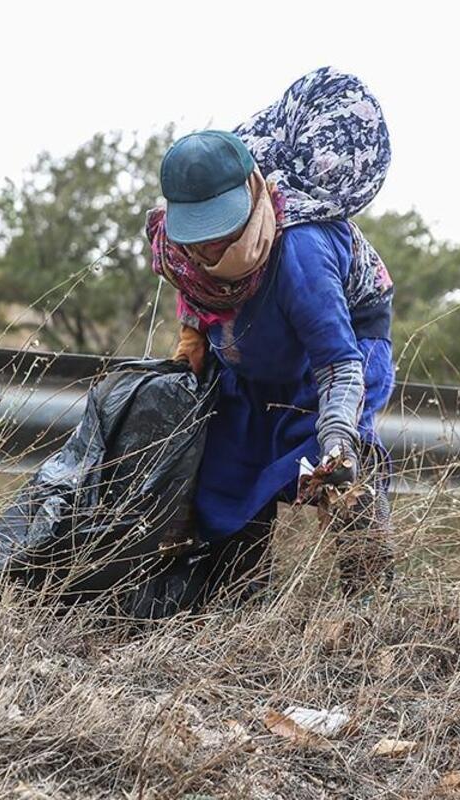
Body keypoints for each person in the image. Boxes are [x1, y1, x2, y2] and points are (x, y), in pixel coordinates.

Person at [140, 67, 396, 613]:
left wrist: (337, 435)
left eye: (222, 229)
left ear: (252, 196)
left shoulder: (301, 250)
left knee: (340, 474)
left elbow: (338, 364)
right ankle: (237, 608)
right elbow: (196, 293)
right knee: (224, 472)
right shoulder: (175, 249)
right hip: (251, 357)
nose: (209, 248)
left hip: (334, 358)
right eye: (198, 234)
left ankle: (368, 607)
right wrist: (192, 338)